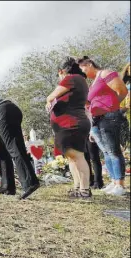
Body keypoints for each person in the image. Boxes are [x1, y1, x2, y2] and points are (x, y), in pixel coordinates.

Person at [78, 56, 128, 196]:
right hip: (96, 120)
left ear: (89, 64)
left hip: (109, 117)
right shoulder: (92, 83)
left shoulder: (105, 74)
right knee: (106, 152)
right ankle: (113, 181)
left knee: (113, 151)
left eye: (82, 68)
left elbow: (122, 91)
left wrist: (112, 107)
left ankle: (120, 184)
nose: (82, 72)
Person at [45, 57, 91, 198]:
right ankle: (77, 187)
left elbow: (51, 96)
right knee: (72, 157)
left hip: (72, 123)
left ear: (62, 71)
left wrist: (48, 100)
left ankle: (84, 190)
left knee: (77, 156)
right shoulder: (79, 80)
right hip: (69, 123)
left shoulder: (71, 79)